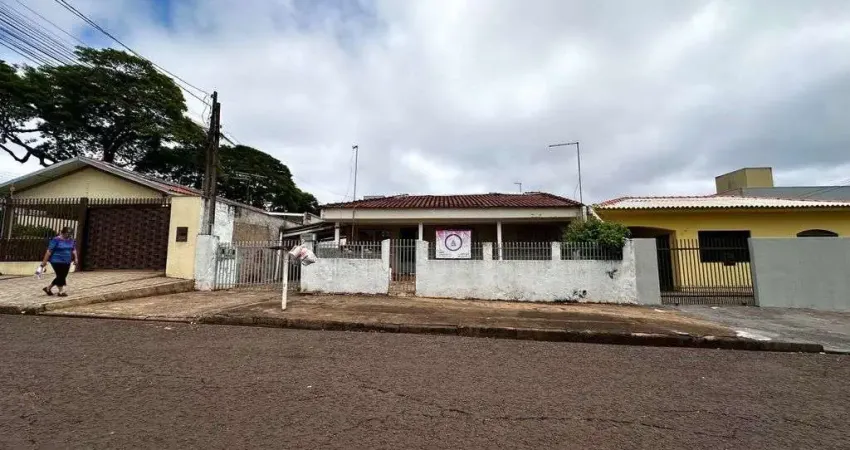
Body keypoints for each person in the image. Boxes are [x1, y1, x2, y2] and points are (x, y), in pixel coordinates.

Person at [40, 227, 78, 297]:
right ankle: (61, 292)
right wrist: (44, 261)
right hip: (56, 260)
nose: (69, 235)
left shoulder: (71, 240)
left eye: (70, 233)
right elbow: (49, 251)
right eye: (67, 233)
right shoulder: (56, 240)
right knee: (60, 275)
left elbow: (73, 249)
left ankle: (48, 288)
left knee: (63, 276)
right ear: (63, 232)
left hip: (67, 261)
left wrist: (76, 258)